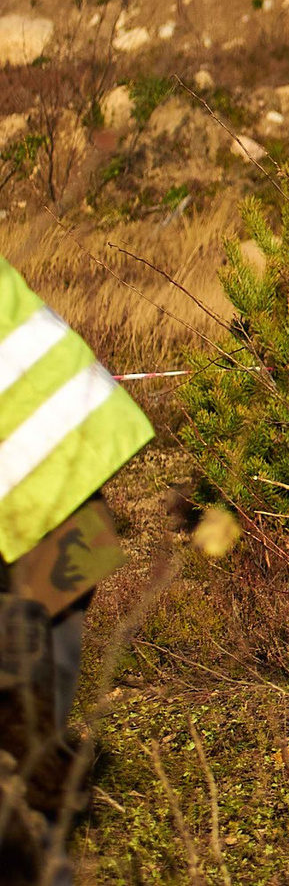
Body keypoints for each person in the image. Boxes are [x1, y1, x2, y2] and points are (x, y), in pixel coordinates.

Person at [0, 252, 155, 793]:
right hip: (78, 451)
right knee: (43, 665)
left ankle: (41, 796)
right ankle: (48, 787)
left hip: (30, 481)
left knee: (22, 700)